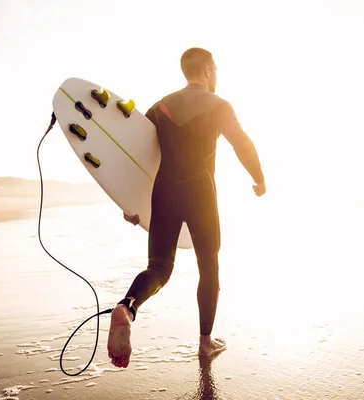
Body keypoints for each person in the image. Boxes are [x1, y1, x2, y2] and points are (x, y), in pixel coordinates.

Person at [107, 47, 266, 369]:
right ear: (208, 70)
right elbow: (242, 143)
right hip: (201, 192)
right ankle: (205, 343)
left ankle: (127, 307)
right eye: (216, 70)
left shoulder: (158, 107)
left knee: (159, 269)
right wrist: (259, 179)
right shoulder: (219, 105)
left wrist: (130, 203)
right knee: (208, 267)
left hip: (163, 192)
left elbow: (138, 159)